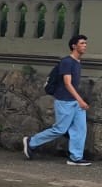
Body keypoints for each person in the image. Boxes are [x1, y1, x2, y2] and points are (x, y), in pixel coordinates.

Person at [23, 33, 92, 166]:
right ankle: (31, 142)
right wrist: (80, 100)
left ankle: (75, 158)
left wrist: (78, 101)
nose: (85, 46)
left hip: (75, 101)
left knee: (80, 129)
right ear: (74, 46)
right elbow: (67, 83)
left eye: (85, 43)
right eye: (82, 43)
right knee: (60, 129)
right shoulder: (67, 61)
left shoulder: (77, 63)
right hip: (65, 100)